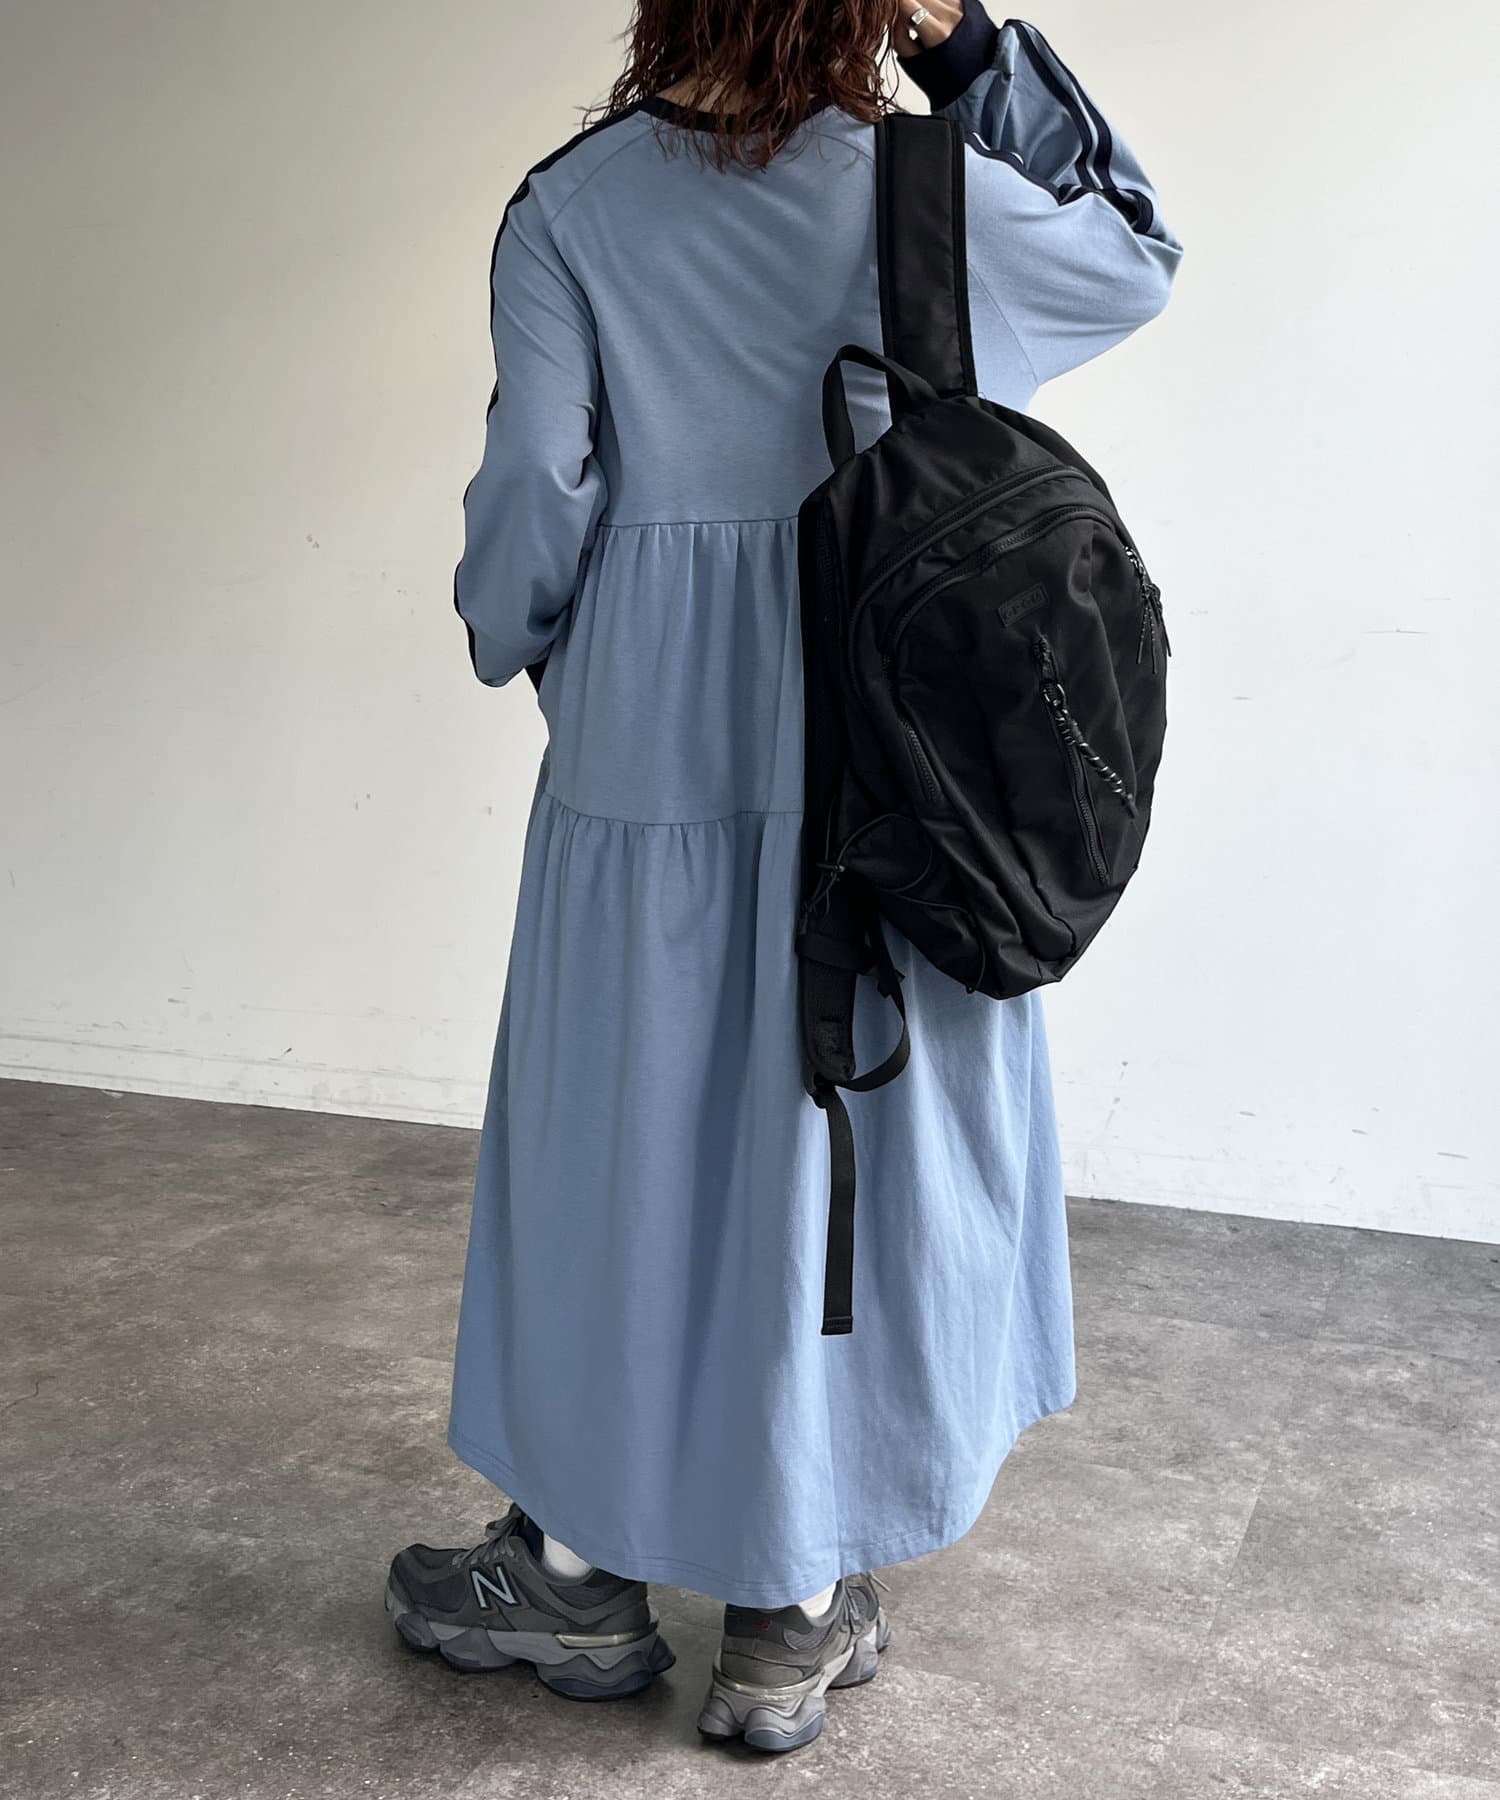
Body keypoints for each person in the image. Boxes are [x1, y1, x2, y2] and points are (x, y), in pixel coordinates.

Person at [386, 0, 1183, 1755]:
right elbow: (1133, 254)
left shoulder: (569, 209)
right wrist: (968, 49)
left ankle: (576, 1570)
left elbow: (535, 495)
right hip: (899, 737)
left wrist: (529, 643)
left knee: (629, 1131)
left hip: (651, 738)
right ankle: (791, 1610)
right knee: (847, 1129)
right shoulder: (924, 191)